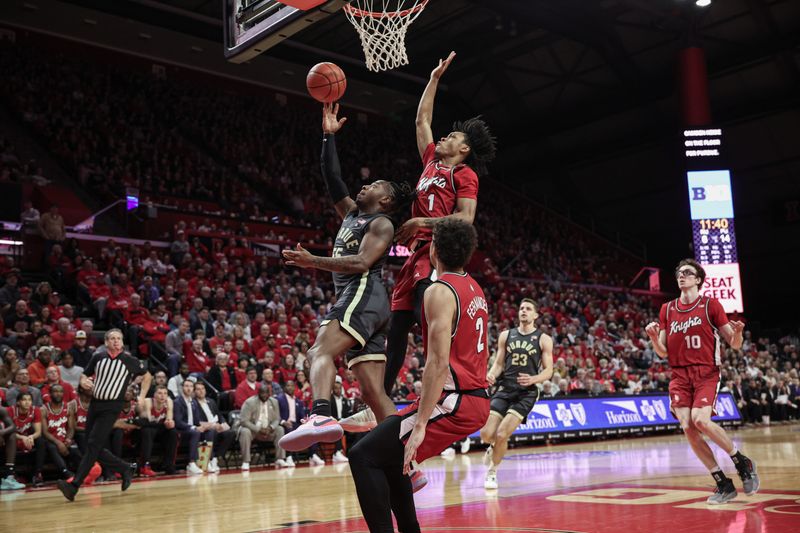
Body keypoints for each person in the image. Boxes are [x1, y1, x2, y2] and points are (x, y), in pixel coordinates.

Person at [278, 103, 415, 453]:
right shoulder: (352, 213)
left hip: (363, 294)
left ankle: (321, 415)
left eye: (373, 185)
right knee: (373, 392)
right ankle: (405, 463)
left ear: (385, 200)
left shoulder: (381, 223)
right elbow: (331, 177)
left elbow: (362, 262)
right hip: (367, 302)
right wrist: (328, 136)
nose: (364, 185)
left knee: (319, 350)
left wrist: (312, 261)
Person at [348, 218, 490, 533]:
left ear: (434, 248)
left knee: (362, 455)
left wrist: (422, 424)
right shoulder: (475, 288)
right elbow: (474, 347)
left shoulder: (439, 290)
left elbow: (438, 362)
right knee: (389, 458)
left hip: (455, 402)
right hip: (470, 396)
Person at [381, 52, 496, 400]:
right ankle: (380, 399)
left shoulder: (464, 174)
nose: (444, 137)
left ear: (464, 149)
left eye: (452, 137)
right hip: (413, 256)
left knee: (426, 318)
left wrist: (421, 220)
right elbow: (421, 122)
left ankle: (446, 386)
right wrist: (432, 79)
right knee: (397, 328)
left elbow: (466, 218)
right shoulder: (431, 161)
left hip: (436, 255)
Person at [645, 258, 758, 505]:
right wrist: (654, 337)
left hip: (706, 372)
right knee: (687, 426)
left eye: (687, 272)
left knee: (700, 420)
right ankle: (723, 483)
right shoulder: (667, 309)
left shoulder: (711, 305)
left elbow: (734, 344)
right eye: (679, 273)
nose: (681, 275)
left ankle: (741, 461)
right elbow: (663, 352)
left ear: (698, 279)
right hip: (679, 375)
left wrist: (738, 332)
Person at [56, 329, 152, 501]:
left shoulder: (129, 360)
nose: (116, 341)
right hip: (95, 404)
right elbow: (85, 374)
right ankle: (125, 468)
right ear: (106, 342)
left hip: (112, 406)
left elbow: (147, 376)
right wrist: (83, 380)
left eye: (119, 339)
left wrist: (142, 397)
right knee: (91, 444)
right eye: (112, 338)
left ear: (122, 343)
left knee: (93, 444)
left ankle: (74, 486)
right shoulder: (98, 357)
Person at [480, 298, 554, 489]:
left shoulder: (543, 339)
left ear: (535, 315)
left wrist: (533, 379)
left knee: (503, 434)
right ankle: (492, 447)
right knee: (487, 434)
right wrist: (491, 375)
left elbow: (549, 370)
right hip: (505, 388)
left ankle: (492, 472)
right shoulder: (506, 335)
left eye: (528, 309)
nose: (524, 311)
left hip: (526, 392)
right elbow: (498, 364)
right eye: (521, 308)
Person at [237, 383, 287, 470]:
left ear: (269, 393)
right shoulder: (249, 402)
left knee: (280, 429)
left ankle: (280, 458)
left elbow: (277, 419)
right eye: (262, 393)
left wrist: (271, 427)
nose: (264, 395)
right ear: (258, 393)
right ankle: (246, 461)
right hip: (253, 430)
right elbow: (244, 421)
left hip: (268, 430)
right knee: (245, 431)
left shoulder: (274, 402)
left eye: (266, 393)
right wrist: (258, 429)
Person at [42, 383, 81, 479]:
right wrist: (59, 443)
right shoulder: (43, 409)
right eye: (55, 391)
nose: (58, 394)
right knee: (52, 447)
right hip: (51, 440)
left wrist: (68, 439)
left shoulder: (68, 407)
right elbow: (45, 432)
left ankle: (85, 472)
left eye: (60, 391)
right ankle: (66, 473)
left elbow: (71, 427)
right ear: (50, 394)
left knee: (75, 450)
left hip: (64, 439)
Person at [195, 381, 234, 474]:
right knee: (211, 432)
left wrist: (224, 424)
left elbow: (219, 415)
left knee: (231, 433)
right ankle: (209, 458)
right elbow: (196, 420)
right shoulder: (193, 403)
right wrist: (212, 425)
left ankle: (216, 457)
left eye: (202, 389)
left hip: (216, 426)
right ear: (194, 391)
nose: (201, 391)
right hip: (204, 429)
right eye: (198, 389)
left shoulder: (211, 401)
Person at [138, 384, 177, 476]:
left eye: (165, 393)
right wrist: (165, 423)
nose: (163, 396)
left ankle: (169, 465)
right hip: (142, 430)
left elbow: (169, 420)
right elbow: (148, 420)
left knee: (173, 432)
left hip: (158, 429)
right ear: (154, 395)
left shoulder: (169, 401)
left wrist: (170, 422)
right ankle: (144, 466)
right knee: (148, 430)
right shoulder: (148, 401)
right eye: (160, 393)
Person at [10, 391, 45, 487]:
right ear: (18, 402)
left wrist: (31, 437)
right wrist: (22, 437)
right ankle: (11, 474)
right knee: (10, 439)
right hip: (13, 439)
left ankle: (38, 474)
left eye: (29, 400)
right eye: (24, 400)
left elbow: (38, 432)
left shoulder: (35, 410)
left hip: (27, 438)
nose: (27, 402)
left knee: (41, 441)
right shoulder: (11, 411)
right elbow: (8, 431)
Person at [172, 377, 207, 475]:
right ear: (182, 388)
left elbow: (196, 420)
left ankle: (208, 460)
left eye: (191, 386)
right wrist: (194, 427)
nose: (189, 388)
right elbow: (178, 422)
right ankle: (191, 463)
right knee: (195, 432)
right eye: (186, 386)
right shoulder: (177, 402)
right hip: (181, 431)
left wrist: (202, 426)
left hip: (191, 430)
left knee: (208, 431)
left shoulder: (193, 402)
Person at [0, 406, 26, 490]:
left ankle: (8, 477)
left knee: (12, 436)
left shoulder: (1, 410)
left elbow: (12, 426)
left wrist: (1, 433)